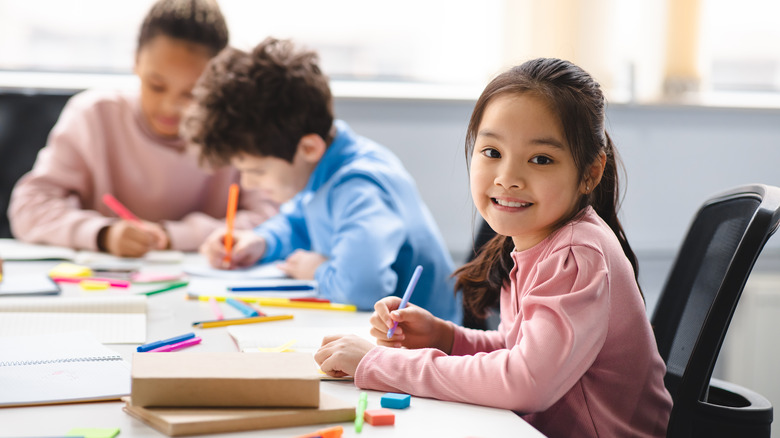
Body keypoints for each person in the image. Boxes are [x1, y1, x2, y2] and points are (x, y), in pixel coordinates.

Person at [314, 58, 673, 437]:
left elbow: (526, 381)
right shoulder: (536, 241)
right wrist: (445, 337)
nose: (508, 178)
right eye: (492, 153)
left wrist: (380, 363)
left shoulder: (577, 255)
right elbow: (519, 348)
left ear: (590, 173)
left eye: (540, 159)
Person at [187, 37, 460, 321]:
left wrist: (315, 270)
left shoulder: (358, 186)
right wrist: (261, 241)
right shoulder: (322, 166)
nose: (247, 184)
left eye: (257, 171)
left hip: (426, 349)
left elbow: (364, 287)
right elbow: (299, 224)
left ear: (308, 148)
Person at [9, 0, 277, 257]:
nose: (171, 107)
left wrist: (176, 236)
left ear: (217, 80)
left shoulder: (238, 130)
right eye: (156, 86)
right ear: (136, 61)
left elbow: (276, 221)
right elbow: (28, 208)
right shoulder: (93, 116)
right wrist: (102, 234)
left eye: (192, 93)